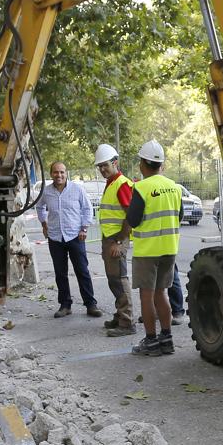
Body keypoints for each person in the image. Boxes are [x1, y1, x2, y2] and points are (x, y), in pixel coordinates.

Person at [113, 140, 182, 357]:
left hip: (148, 252)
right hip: (169, 249)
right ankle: (167, 339)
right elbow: (178, 217)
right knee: (162, 294)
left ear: (143, 163)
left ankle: (151, 341)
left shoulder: (141, 187)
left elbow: (132, 220)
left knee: (147, 296)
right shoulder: (175, 187)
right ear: (161, 163)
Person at [37, 161, 101, 319]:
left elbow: (87, 208)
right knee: (60, 273)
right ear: (51, 174)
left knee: (82, 271)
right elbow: (39, 207)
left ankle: (90, 304)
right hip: (55, 237)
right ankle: (65, 305)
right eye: (56, 172)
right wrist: (44, 225)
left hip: (75, 236)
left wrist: (84, 228)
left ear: (66, 173)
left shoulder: (77, 189)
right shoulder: (46, 192)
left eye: (62, 172)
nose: (59, 175)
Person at [94, 144, 136, 336]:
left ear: (115, 163)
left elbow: (131, 215)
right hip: (111, 238)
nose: (102, 169)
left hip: (116, 239)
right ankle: (120, 315)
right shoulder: (112, 182)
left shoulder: (122, 184)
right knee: (114, 279)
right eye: (100, 166)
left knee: (119, 279)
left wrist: (119, 242)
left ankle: (127, 323)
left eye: (105, 165)